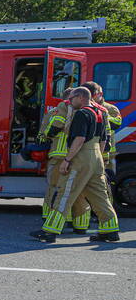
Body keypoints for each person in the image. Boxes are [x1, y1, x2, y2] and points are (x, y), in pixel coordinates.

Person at [32, 87, 119, 243]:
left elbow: (79, 139)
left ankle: (49, 231)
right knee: (100, 195)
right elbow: (104, 139)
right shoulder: (100, 112)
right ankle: (110, 230)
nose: (69, 102)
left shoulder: (81, 113)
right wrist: (97, 158)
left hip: (81, 157)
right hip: (96, 157)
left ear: (80, 97)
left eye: (71, 99)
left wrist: (67, 160)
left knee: (66, 193)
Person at [38, 88, 90, 232]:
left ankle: (49, 219)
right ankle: (80, 225)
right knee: (78, 191)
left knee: (55, 188)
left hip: (59, 157)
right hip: (80, 157)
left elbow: (45, 134)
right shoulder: (87, 113)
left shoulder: (56, 112)